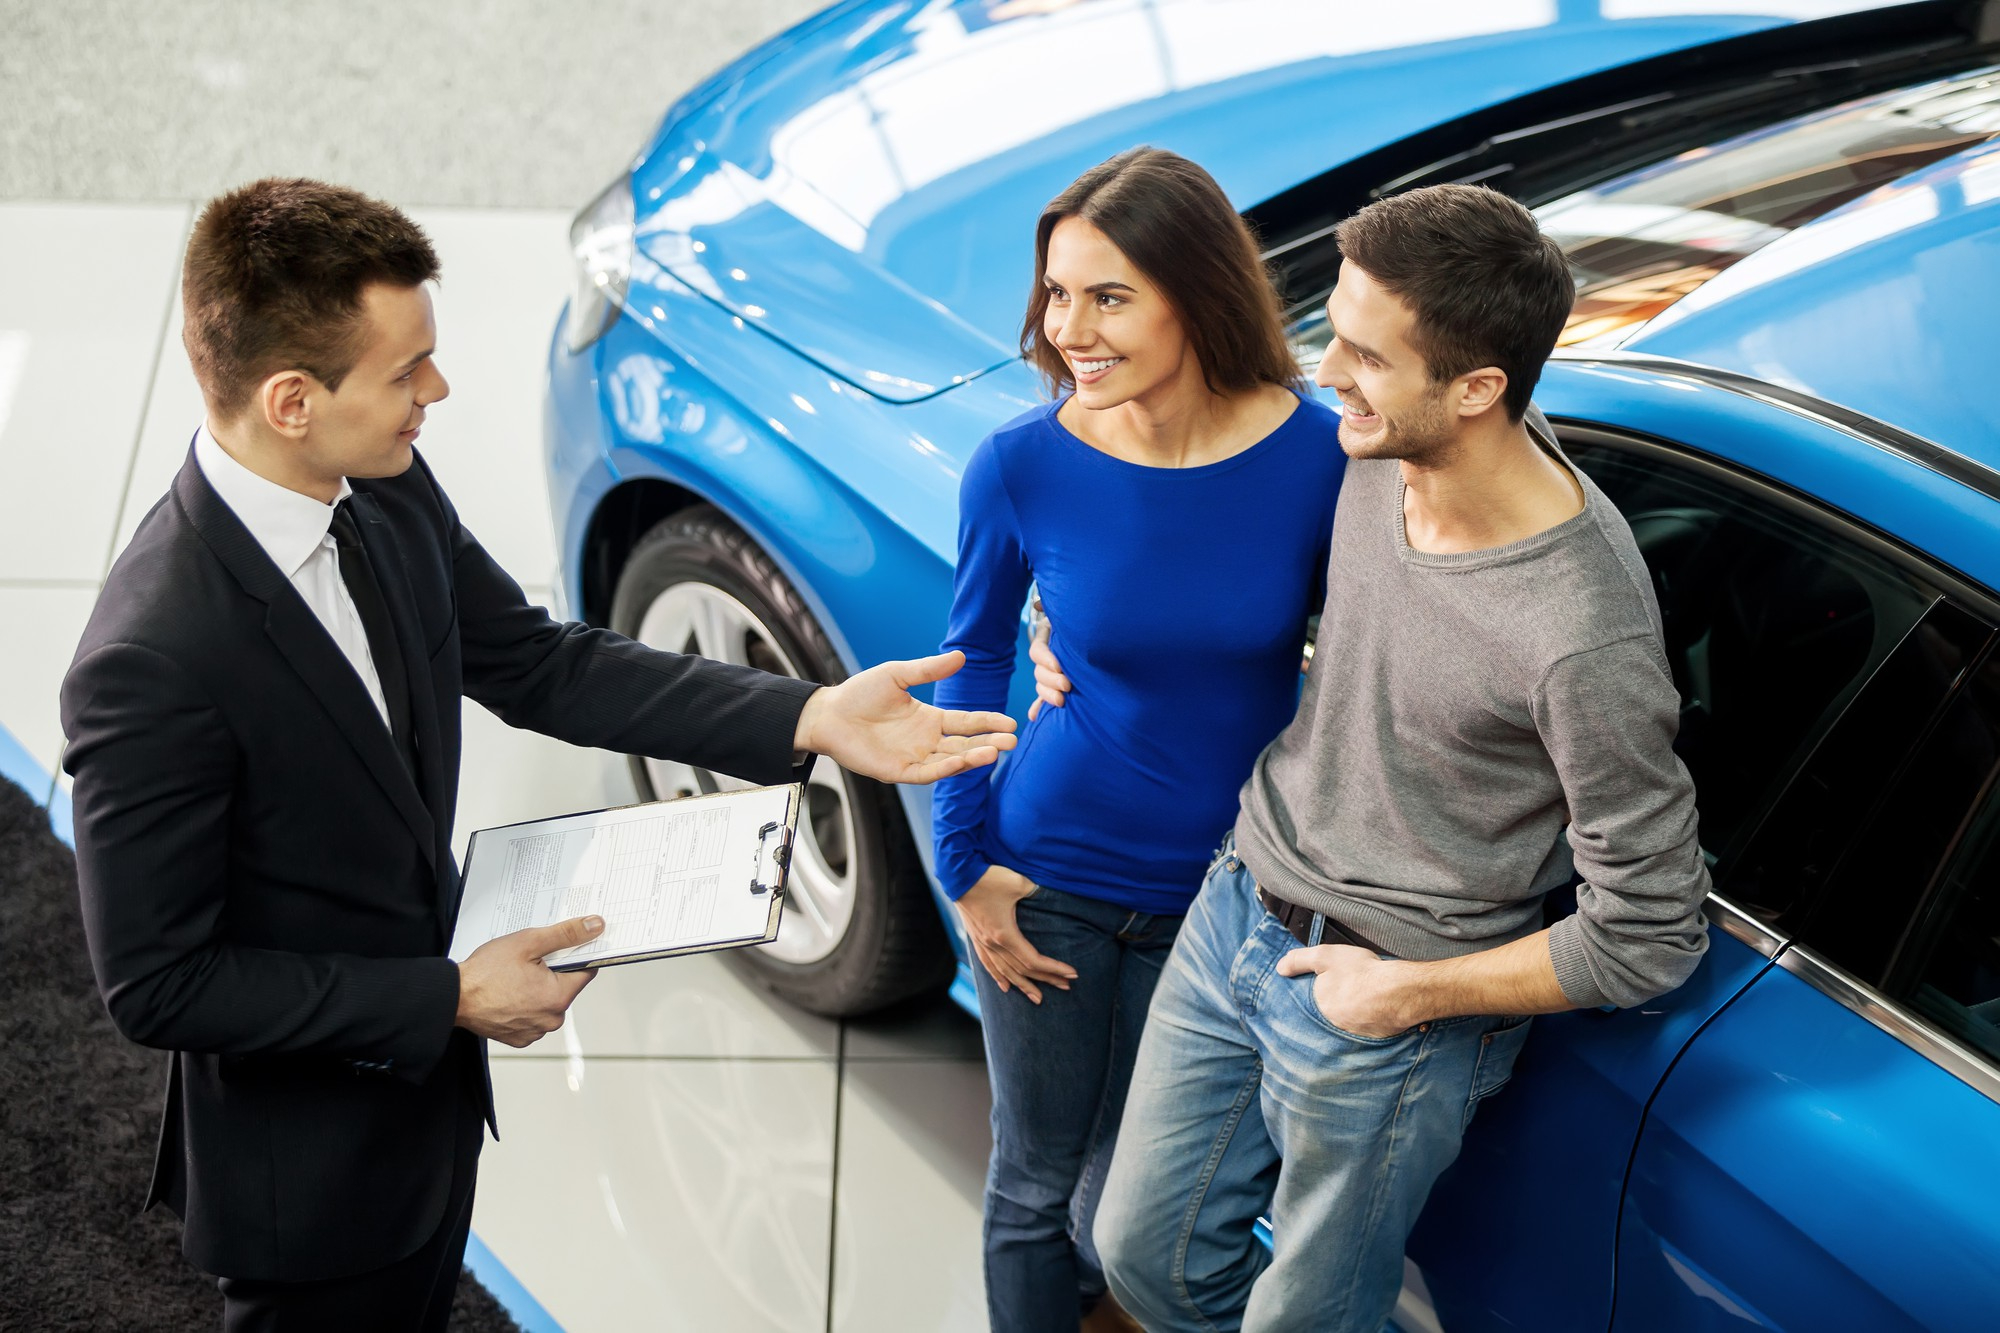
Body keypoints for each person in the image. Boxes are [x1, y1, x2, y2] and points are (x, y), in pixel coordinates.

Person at [60, 177, 1015, 1333]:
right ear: (293, 400)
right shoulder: (151, 660)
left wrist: (807, 715)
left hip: (430, 1105)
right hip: (305, 1174)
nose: (438, 391)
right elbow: (157, 982)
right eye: (406, 370)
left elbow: (540, 663)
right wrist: (450, 995)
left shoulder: (384, 491)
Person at [1029, 184, 1711, 1329]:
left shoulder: (1577, 634)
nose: (1324, 373)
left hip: (1385, 1006)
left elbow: (1649, 932)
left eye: (1362, 355)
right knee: (1138, 1254)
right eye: (1331, 331)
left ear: (1478, 388)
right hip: (1241, 900)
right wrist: (1067, 625)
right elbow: (1214, 544)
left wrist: (1407, 995)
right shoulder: (1372, 448)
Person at [929, 147, 1346, 1333]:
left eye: (1107, 295)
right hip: (1046, 866)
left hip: (1220, 901)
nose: (1070, 329)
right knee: (1031, 1179)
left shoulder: (1316, 458)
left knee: (1129, 1203)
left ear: (1195, 293)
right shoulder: (1020, 463)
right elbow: (971, 660)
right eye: (1056, 293)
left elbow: (1365, 657)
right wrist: (967, 865)